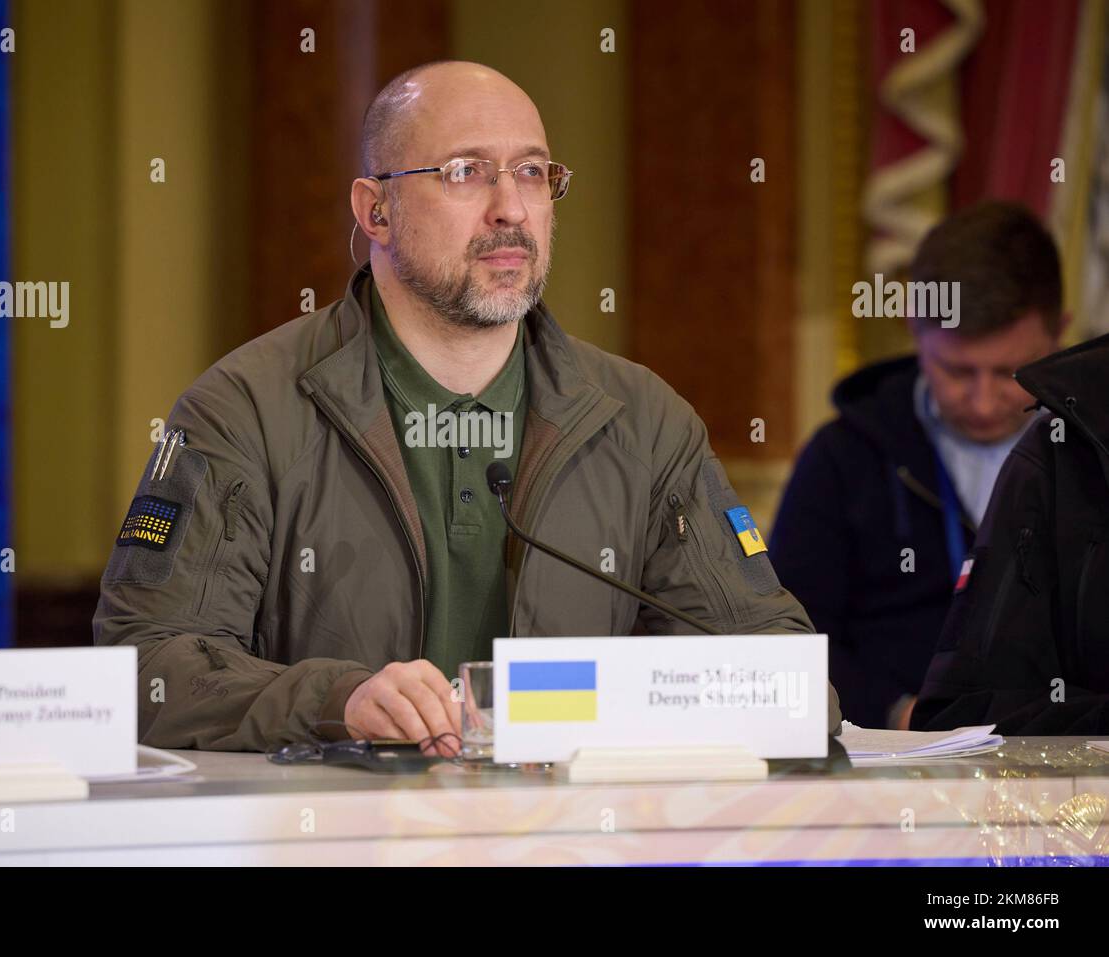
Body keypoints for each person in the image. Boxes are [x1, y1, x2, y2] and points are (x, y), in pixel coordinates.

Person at [93, 60, 841, 754]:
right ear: (375, 209)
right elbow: (145, 670)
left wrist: (624, 700)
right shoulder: (245, 408)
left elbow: (785, 678)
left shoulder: (641, 419)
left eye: (534, 173)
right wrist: (336, 698)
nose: (511, 208)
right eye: (465, 173)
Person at [770, 202, 1065, 729]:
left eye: (1010, 373)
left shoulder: (1094, 447)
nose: (981, 401)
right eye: (956, 370)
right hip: (891, 759)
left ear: (1060, 333)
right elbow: (788, 635)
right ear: (914, 329)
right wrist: (895, 714)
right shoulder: (842, 457)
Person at [913, 333, 1109, 734]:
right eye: (959, 370)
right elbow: (961, 716)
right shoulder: (1064, 451)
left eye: (1002, 372)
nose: (983, 401)